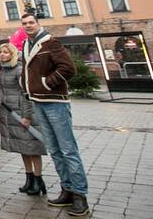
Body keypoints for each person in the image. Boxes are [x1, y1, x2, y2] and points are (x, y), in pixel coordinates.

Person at [20, 11, 90, 217]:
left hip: (55, 102)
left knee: (68, 149)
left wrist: (46, 83)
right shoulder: (26, 45)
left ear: (38, 23)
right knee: (54, 150)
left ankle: (80, 195)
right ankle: (66, 189)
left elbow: (68, 68)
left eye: (31, 22)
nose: (28, 25)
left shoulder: (51, 43)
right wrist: (27, 90)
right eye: (24, 23)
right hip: (38, 102)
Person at [0, 42, 47, 196]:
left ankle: (39, 180)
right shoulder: (3, 69)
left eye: (6, 52)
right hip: (10, 113)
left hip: (22, 115)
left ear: (12, 54)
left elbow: (27, 95)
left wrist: (26, 116)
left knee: (33, 148)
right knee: (22, 148)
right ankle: (29, 178)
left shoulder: (19, 69)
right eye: (1, 52)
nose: (3, 54)